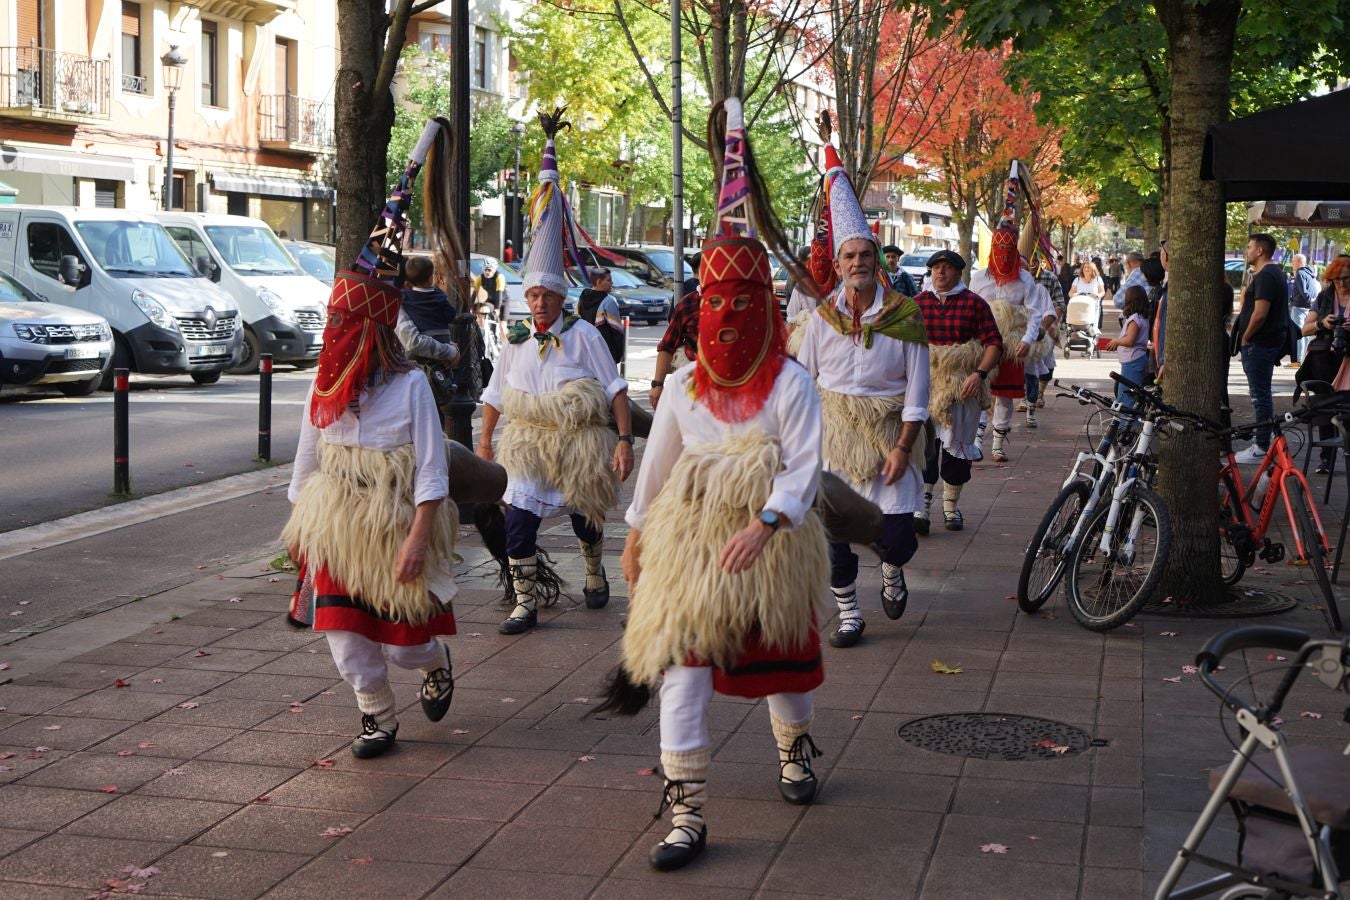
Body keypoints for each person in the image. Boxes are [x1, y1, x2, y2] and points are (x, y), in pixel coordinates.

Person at [603, 97, 829, 874]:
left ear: (764, 306)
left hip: (768, 545)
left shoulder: (792, 385)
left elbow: (805, 467)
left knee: (782, 672)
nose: (726, 318)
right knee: (684, 671)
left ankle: (795, 745)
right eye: (715, 305)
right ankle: (686, 808)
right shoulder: (683, 387)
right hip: (692, 546)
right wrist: (636, 537)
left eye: (742, 303)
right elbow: (660, 468)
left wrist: (767, 523)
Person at [282, 119, 461, 760]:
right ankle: (377, 717)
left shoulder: (410, 387)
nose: (333, 337)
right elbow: (303, 470)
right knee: (347, 641)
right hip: (337, 525)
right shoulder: (322, 387)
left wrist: (417, 538)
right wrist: (306, 538)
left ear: (372, 331)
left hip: (392, 523)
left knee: (405, 643)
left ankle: (434, 663)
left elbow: (434, 474)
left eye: (343, 326)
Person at [476, 108, 635, 634]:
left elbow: (614, 387)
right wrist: (484, 446)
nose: (539, 303)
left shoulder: (585, 335)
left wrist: (624, 440)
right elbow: (495, 393)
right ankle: (526, 602)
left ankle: (593, 569)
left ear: (561, 296)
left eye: (546, 295)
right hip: (528, 445)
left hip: (577, 443)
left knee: (585, 518)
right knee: (518, 526)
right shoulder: (516, 339)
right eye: (533, 294)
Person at [796, 139, 929, 649]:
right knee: (835, 540)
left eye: (865, 254)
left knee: (896, 540)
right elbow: (802, 382)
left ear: (877, 259)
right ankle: (849, 613)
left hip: (887, 436)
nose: (858, 262)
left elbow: (919, 387)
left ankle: (893, 571)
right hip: (834, 442)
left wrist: (901, 446)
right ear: (839, 262)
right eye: (849, 255)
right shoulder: (822, 319)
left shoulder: (904, 315)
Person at [914, 250, 1002, 534]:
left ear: (959, 272)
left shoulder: (974, 303)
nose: (940, 273)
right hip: (925, 385)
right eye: (935, 268)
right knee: (924, 448)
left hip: (961, 388)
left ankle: (951, 507)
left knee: (956, 451)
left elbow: (994, 343)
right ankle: (921, 507)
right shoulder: (917, 304)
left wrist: (980, 373)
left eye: (947, 268)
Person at [968, 188, 1055, 458]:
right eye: (999, 248)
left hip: (1011, 343)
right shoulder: (978, 278)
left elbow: (1036, 312)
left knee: (1004, 395)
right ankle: (976, 439)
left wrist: (1028, 340)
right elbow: (971, 309)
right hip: (982, 342)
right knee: (979, 389)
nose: (1004, 253)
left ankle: (997, 442)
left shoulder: (1025, 280)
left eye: (1009, 248)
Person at [1233, 233, 1290, 463]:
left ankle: (1262, 445)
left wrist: (1246, 337)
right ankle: (1263, 442)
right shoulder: (1273, 273)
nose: (1246, 251)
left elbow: (1260, 313)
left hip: (1259, 344)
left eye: (1249, 247)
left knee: (1259, 395)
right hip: (1264, 343)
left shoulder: (1267, 276)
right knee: (1261, 394)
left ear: (1260, 251)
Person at [1299, 254, 1350, 473]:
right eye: (1336, 279)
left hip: (1348, 361)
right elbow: (1304, 329)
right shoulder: (1323, 297)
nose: (1341, 283)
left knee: (1347, 409)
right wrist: (1323, 323)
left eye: (1346, 278)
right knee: (1324, 407)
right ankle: (1326, 458)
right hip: (1324, 361)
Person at [650, 283, 699, 409]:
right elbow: (668, 345)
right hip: (693, 387)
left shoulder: (751, 301)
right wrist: (657, 385)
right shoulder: (689, 303)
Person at [1106, 286, 1151, 408]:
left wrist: (1117, 341)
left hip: (1133, 362)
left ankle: (1128, 425)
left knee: (1126, 396)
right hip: (1136, 360)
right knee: (1131, 394)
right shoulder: (1142, 317)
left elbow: (1130, 340)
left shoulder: (1135, 319)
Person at [576, 267, 625, 364]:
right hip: (605, 352)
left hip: (585, 352)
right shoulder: (609, 301)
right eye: (609, 280)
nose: (612, 283)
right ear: (599, 282)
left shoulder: (581, 300)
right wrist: (618, 354)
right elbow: (616, 330)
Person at [1290, 253, 1318, 364]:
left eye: (1294, 261)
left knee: (1298, 333)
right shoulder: (1310, 273)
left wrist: (1305, 300)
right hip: (1307, 307)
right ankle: (1303, 359)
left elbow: (1303, 291)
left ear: (1300, 262)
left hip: (1299, 307)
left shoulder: (1300, 273)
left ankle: (1297, 359)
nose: (1292, 263)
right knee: (1305, 334)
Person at [472, 257, 508, 324]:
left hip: (503, 302)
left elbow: (499, 294)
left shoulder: (500, 277)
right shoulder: (479, 278)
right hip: (491, 301)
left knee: (502, 327)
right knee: (482, 310)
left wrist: (497, 308)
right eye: (485, 269)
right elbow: (474, 294)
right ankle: (482, 330)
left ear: (494, 269)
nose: (487, 272)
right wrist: (470, 307)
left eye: (489, 270)